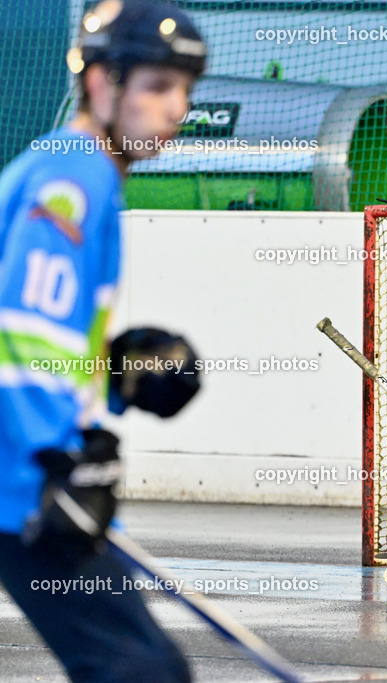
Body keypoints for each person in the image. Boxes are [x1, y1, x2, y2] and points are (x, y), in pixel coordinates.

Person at [0, 1, 206, 680]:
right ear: (99, 84)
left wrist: (114, 376)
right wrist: (63, 463)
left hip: (24, 470)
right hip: (21, 480)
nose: (176, 108)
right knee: (139, 672)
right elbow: (22, 335)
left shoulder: (75, 169)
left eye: (184, 89)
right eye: (155, 86)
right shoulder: (75, 176)